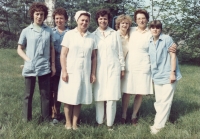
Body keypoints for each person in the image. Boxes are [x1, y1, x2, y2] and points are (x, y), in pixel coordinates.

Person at [118, 10, 177, 125]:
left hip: (144, 64)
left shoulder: (151, 32)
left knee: (140, 91)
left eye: (143, 18)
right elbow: (118, 34)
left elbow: (164, 38)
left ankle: (134, 115)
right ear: (135, 20)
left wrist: (174, 45)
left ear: (147, 19)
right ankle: (124, 114)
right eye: (139, 18)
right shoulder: (131, 30)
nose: (141, 20)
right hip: (130, 63)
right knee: (127, 91)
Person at [57, 10, 97, 130]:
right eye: (82, 20)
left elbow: (94, 57)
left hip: (84, 72)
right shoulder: (69, 34)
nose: (84, 23)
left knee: (79, 97)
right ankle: (68, 122)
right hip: (70, 71)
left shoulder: (92, 36)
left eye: (87, 21)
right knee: (68, 97)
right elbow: (63, 54)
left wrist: (93, 73)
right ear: (77, 21)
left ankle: (75, 123)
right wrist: (64, 71)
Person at [17, 2, 56, 122]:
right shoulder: (26, 31)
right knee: (28, 95)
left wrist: (53, 65)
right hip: (30, 67)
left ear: (45, 16)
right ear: (32, 15)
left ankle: (46, 118)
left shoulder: (49, 31)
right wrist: (27, 60)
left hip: (44, 66)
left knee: (46, 94)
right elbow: (19, 49)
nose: (39, 16)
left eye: (42, 14)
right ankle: (26, 119)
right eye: (37, 14)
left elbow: (52, 48)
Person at [93, 9, 125, 130]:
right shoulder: (93, 35)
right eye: (101, 18)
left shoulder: (115, 34)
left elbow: (120, 52)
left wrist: (122, 68)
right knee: (100, 97)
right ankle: (99, 121)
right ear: (97, 20)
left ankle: (109, 125)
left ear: (108, 20)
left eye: (105, 18)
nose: (103, 21)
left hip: (113, 68)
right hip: (99, 70)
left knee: (111, 98)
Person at [148, 20, 182, 134]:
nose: (155, 29)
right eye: (152, 27)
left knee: (165, 101)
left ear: (160, 29)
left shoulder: (167, 39)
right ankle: (163, 121)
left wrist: (172, 73)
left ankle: (157, 126)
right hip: (157, 75)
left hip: (168, 74)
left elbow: (173, 56)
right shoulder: (149, 41)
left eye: (157, 27)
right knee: (159, 101)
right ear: (150, 29)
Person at [50, 7, 69, 124]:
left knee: (63, 91)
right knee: (53, 91)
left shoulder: (71, 33)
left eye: (61, 18)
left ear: (66, 19)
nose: (59, 21)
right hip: (53, 66)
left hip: (66, 67)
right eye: (57, 18)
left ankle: (65, 113)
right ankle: (54, 113)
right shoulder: (51, 32)